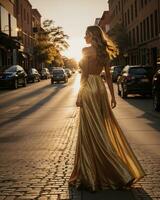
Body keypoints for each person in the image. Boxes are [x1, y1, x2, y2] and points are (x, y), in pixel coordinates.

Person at [69, 25, 145, 191]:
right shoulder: (104, 52)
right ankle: (116, 170)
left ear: (92, 36)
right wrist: (112, 96)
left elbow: (84, 75)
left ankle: (93, 174)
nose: (84, 37)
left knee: (89, 130)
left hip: (89, 88)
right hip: (101, 89)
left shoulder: (85, 50)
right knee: (101, 127)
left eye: (86, 34)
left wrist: (79, 95)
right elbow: (109, 77)